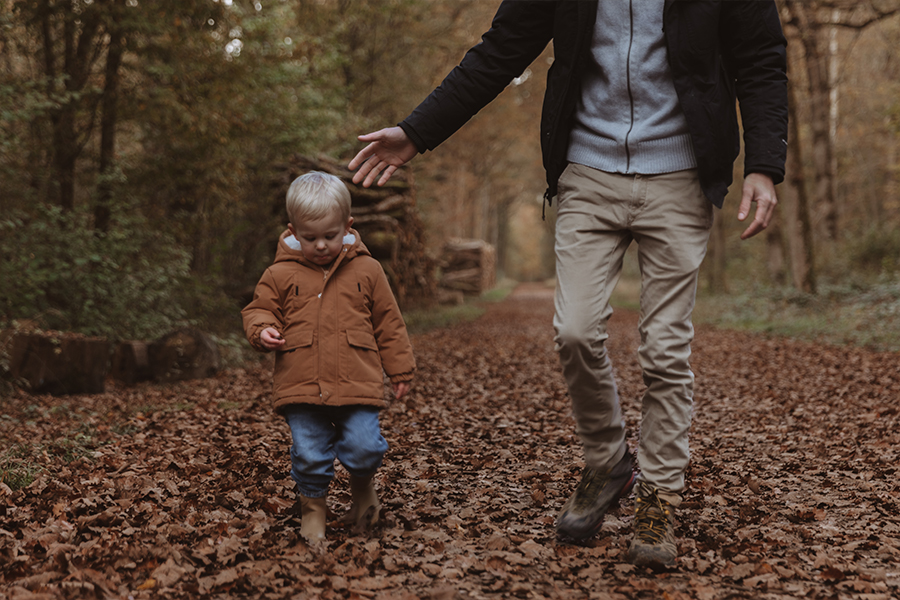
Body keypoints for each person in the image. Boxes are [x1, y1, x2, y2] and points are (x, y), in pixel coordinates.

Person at [348, 1, 787, 567]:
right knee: (575, 331)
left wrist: (764, 164)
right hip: (588, 169)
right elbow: (500, 51)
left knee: (665, 350)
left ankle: (658, 499)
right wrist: (416, 131)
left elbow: (760, 59)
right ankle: (607, 462)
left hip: (681, 172)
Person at [242, 171, 416, 541]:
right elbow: (258, 310)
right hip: (301, 383)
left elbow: (389, 321)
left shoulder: (368, 270)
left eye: (330, 236)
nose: (320, 245)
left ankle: (363, 489)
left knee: (365, 446)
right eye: (309, 237)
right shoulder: (279, 273)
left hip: (358, 381)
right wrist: (263, 329)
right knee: (309, 453)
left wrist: (400, 369)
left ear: (347, 226)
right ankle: (313, 512)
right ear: (293, 231)